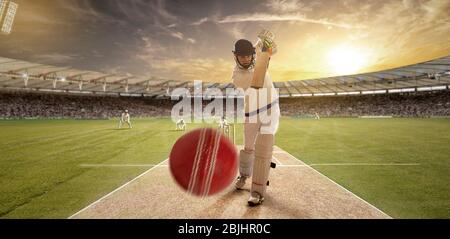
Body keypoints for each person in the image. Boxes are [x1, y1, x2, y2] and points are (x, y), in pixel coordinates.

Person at [231, 36, 280, 206]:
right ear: (235, 56)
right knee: (248, 147)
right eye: (241, 56)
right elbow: (257, 81)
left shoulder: (257, 57)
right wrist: (264, 54)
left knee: (264, 146)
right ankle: (244, 175)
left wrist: (267, 47)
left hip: (270, 109)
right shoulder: (237, 75)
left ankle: (257, 192)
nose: (245, 58)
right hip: (251, 112)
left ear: (251, 55)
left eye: (248, 55)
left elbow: (275, 48)